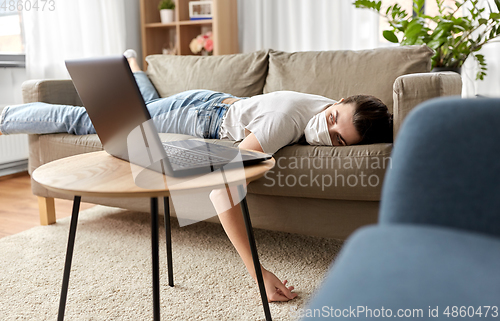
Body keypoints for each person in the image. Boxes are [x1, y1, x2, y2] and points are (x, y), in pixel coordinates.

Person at [0, 50, 393, 302]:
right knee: (84, 120)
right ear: (338, 102)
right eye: (332, 119)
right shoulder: (284, 121)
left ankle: (134, 66)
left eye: (339, 140)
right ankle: (4, 117)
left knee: (147, 108)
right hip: (200, 115)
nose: (329, 131)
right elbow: (222, 189)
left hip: (210, 106)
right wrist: (258, 273)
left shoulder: (326, 109)